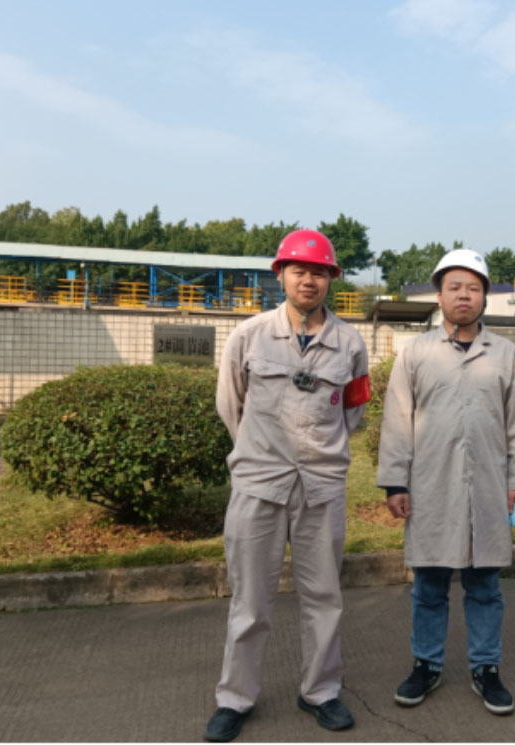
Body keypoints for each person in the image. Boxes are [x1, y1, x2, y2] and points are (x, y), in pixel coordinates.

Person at [204, 229, 371, 742]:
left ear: (331, 279)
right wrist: (262, 454)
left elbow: (353, 412)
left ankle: (320, 691)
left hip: (322, 486)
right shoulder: (249, 336)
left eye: (319, 272)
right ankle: (235, 698)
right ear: (280, 275)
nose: (309, 280)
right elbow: (230, 404)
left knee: (324, 597)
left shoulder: (350, 343)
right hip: (259, 484)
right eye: (299, 270)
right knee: (250, 600)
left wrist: (317, 453)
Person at [376, 249, 515, 715]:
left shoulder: (505, 354)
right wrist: (395, 483)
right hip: (431, 486)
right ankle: (426, 664)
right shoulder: (417, 353)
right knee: (428, 586)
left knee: (485, 585)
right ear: (439, 295)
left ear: (485, 296)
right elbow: (397, 421)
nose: (463, 296)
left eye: (473, 287)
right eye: (454, 287)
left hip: (490, 486)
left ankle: (486, 667)